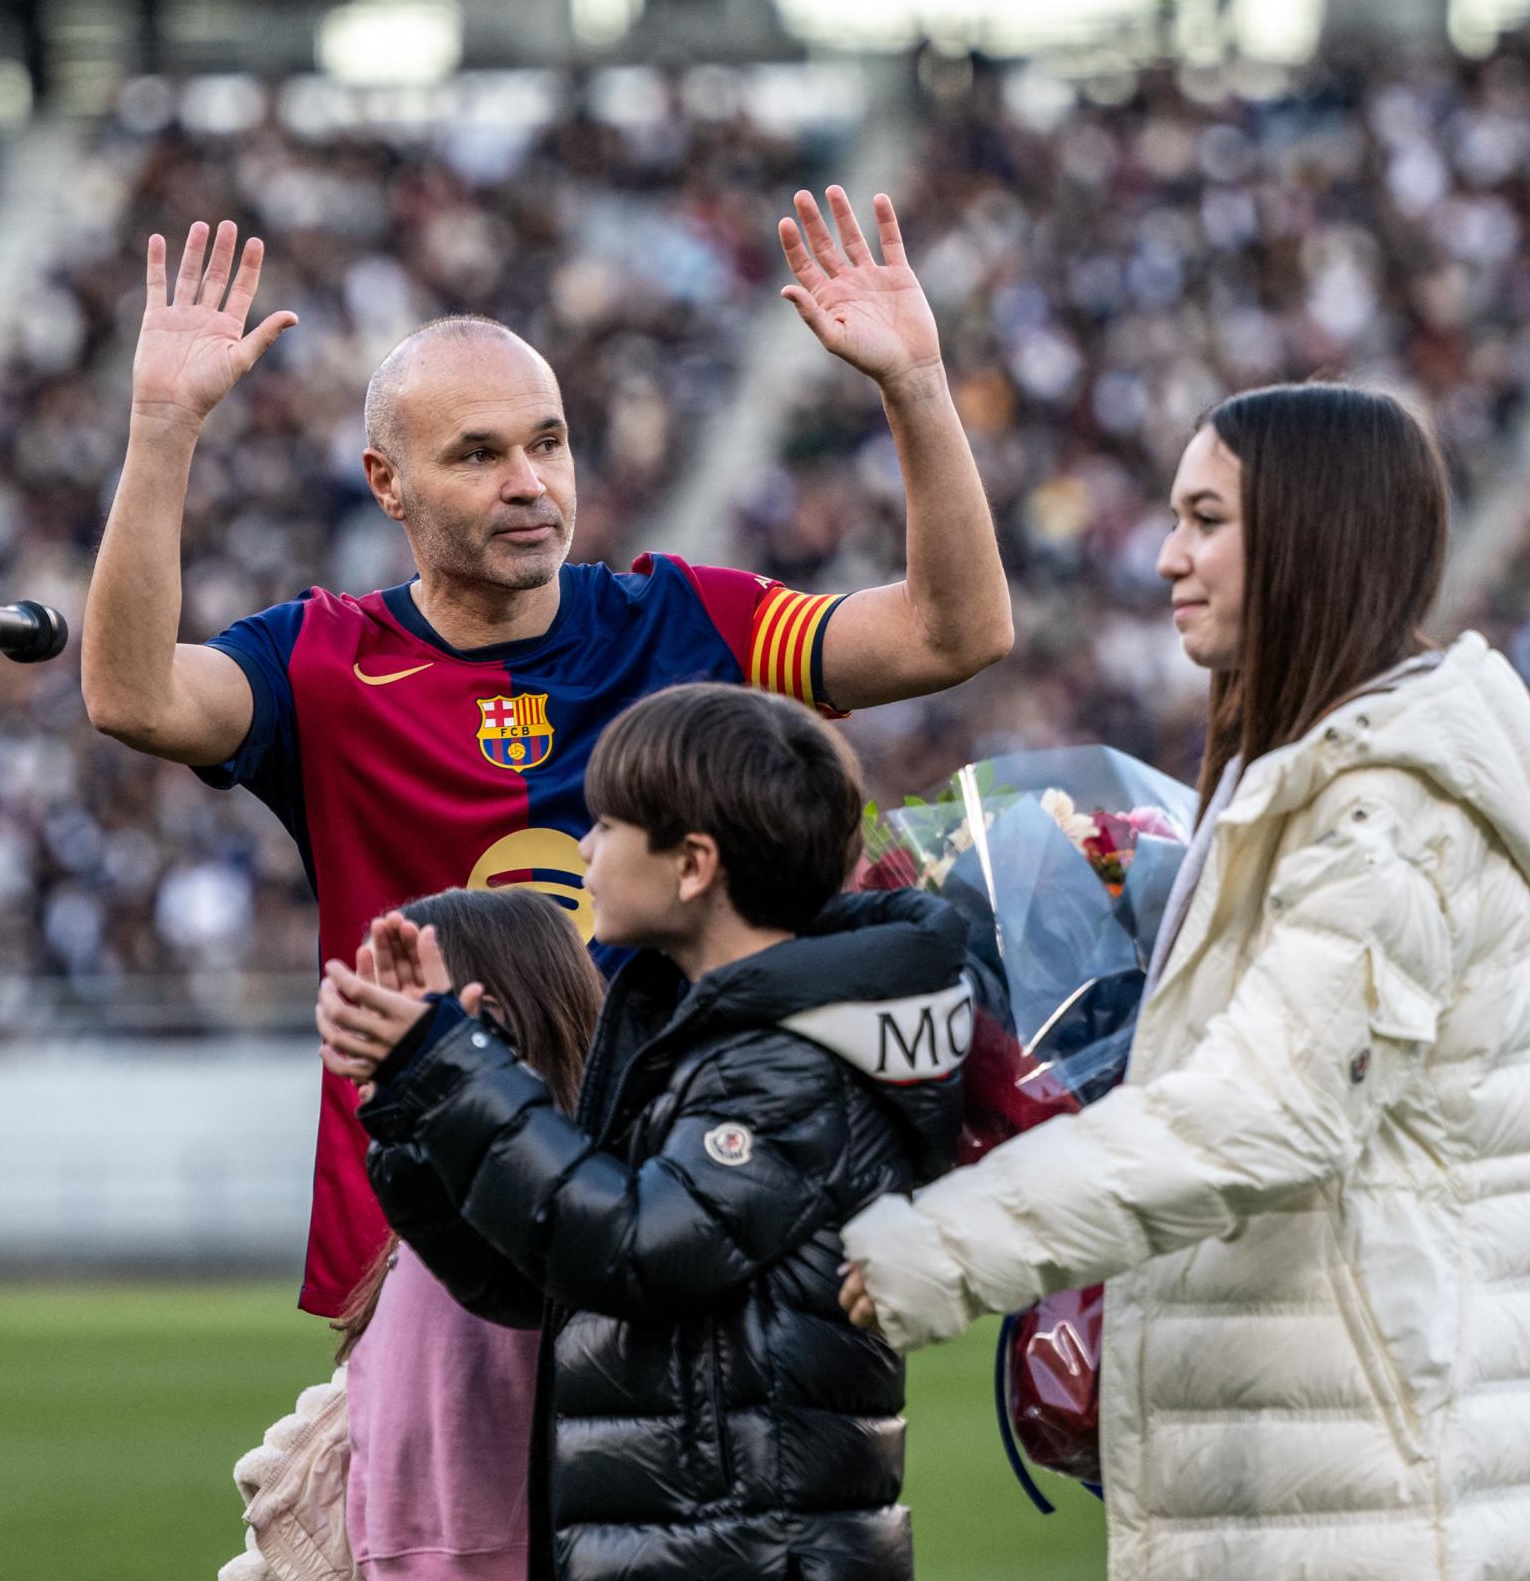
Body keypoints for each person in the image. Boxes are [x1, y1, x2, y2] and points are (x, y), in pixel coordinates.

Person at [84, 192, 1013, 1315]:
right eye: (477, 454)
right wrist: (164, 426)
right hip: (423, 1241)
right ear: (388, 484)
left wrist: (914, 384)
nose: (529, 480)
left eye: (549, 441)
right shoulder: (321, 662)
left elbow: (952, 632)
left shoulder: (687, 622)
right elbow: (131, 693)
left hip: (674, 1205)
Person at [837, 384, 1530, 1581]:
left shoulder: (1391, 807)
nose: (1167, 553)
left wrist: (947, 1244)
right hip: (1331, 1479)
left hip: (1395, 1503)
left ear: (1314, 537)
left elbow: (1264, 1113)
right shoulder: (1300, 780)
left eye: (1207, 517)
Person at [317, 683, 972, 1581]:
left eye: (609, 826)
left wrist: (455, 1068)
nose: (583, 849)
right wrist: (410, 1100)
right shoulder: (696, 1033)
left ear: (693, 865)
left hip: (751, 1559)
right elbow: (538, 1285)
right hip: (690, 1547)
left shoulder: (790, 1062)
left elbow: (630, 1249)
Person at [230, 888, 606, 1581]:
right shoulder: (428, 1212)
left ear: (491, 1025)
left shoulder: (556, 1215)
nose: (362, 1053)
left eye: (393, 1019)